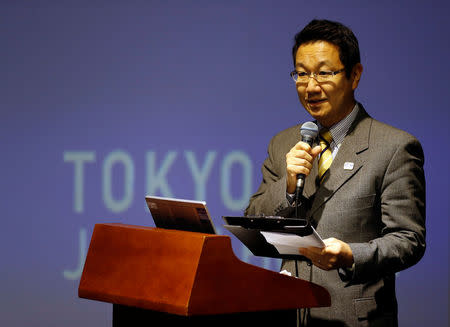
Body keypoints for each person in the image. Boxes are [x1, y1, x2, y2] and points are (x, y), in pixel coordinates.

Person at [245, 19, 426, 326]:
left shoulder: (394, 147)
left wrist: (350, 255)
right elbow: (253, 221)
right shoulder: (284, 143)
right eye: (301, 74)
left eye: (324, 73)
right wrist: (288, 187)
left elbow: (408, 240)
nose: (311, 87)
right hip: (289, 314)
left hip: (355, 318)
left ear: (354, 75)